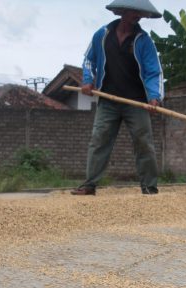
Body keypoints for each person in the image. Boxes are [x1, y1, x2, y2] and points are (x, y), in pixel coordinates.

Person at [71, 0, 164, 196]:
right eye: (134, 12)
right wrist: (88, 80)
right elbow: (89, 59)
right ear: (122, 11)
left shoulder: (144, 41)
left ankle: (149, 187)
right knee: (99, 141)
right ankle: (89, 185)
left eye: (140, 13)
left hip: (136, 102)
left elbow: (153, 73)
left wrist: (154, 97)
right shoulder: (102, 35)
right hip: (108, 100)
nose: (137, 16)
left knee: (144, 142)